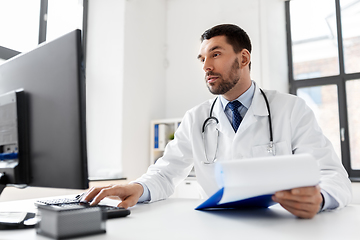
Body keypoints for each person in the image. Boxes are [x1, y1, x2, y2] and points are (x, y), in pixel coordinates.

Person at [83, 24, 352, 219]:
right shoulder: (196, 118)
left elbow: (332, 175)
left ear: (243, 58)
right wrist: (138, 187)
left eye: (215, 54)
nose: (205, 67)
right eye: (202, 58)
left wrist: (319, 198)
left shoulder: (291, 109)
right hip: (215, 230)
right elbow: (165, 173)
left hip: (278, 229)